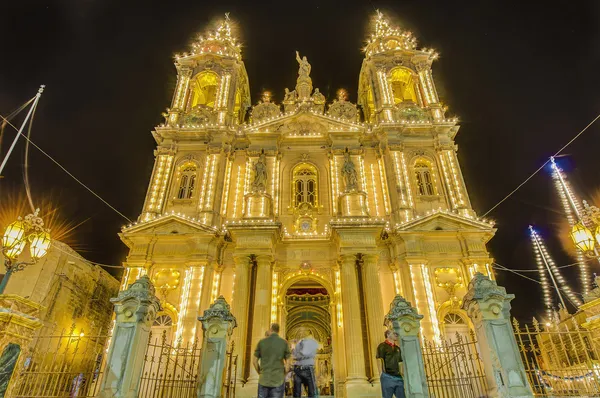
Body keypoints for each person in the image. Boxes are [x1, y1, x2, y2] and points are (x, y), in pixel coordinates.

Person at [253, 323, 291, 398]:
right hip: (278, 380)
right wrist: (283, 374)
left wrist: (260, 373)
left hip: (264, 379)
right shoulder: (284, 343)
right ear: (278, 331)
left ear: (271, 329)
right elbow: (288, 364)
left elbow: (254, 361)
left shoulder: (261, 342)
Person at [376, 329, 405, 398]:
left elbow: (400, 362)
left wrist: (402, 374)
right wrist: (381, 374)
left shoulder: (397, 348)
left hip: (398, 377)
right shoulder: (382, 346)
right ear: (388, 335)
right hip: (387, 376)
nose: (396, 334)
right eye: (394, 333)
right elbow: (379, 359)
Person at [292, 329, 319, 398]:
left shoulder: (313, 342)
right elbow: (295, 355)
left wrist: (299, 355)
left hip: (307, 369)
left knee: (312, 392)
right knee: (297, 393)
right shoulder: (300, 343)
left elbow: (303, 354)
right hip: (299, 369)